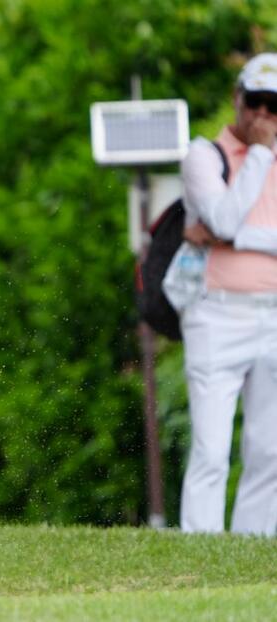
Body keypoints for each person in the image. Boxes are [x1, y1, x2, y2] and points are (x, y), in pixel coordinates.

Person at [178, 53, 277, 535]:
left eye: (273, 106)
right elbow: (222, 219)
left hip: (273, 316)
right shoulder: (204, 154)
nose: (262, 116)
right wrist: (259, 155)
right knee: (212, 447)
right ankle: (200, 548)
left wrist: (238, 238)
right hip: (217, 317)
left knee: (269, 449)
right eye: (255, 102)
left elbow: (227, 230)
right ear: (238, 98)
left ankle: (252, 546)